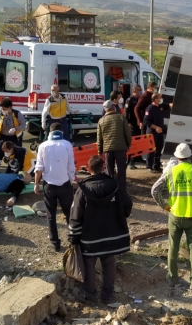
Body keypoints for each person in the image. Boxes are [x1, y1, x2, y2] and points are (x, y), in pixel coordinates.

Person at [69, 155, 132, 304]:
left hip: (90, 238)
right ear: (103, 167)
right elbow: (128, 205)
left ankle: (90, 296)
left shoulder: (83, 190)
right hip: (111, 235)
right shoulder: (115, 186)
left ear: (88, 170)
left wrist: (73, 236)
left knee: (89, 264)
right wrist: (119, 217)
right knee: (109, 264)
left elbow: (75, 215)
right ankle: (107, 296)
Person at [151, 143, 192, 290]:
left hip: (175, 215)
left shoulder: (170, 171)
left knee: (173, 247)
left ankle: (172, 278)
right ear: (189, 156)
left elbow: (154, 190)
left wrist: (164, 206)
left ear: (177, 157)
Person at [34, 122, 75, 251]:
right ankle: (73, 239)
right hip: (65, 184)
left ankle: (55, 242)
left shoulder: (43, 146)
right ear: (61, 132)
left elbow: (39, 168)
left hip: (49, 185)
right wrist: (72, 180)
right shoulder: (67, 145)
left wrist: (36, 184)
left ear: (49, 132)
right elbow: (71, 166)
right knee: (69, 213)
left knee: (51, 215)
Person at [97, 101, 132, 194]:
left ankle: (111, 191)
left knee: (109, 172)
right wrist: (128, 144)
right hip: (120, 148)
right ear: (113, 107)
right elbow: (127, 133)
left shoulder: (101, 120)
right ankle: (122, 191)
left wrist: (99, 150)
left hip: (107, 150)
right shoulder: (121, 117)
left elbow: (99, 138)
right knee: (121, 171)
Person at [0, 98, 26, 171]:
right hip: (3, 136)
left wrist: (15, 129)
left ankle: (16, 167)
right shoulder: (1, 113)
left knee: (16, 151)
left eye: (4, 109)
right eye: (2, 108)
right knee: (0, 150)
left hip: (15, 137)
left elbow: (23, 125)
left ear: (9, 107)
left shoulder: (17, 114)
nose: (3, 110)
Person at [143, 92, 166, 171]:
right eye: (160, 98)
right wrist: (156, 127)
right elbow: (146, 121)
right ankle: (149, 166)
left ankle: (156, 166)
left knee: (159, 148)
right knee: (151, 149)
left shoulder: (160, 107)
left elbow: (169, 105)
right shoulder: (149, 109)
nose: (161, 99)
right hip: (152, 132)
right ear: (156, 99)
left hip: (160, 132)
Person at [125, 85, 143, 169]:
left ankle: (138, 157)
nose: (141, 92)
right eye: (139, 90)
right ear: (135, 91)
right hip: (132, 124)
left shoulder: (139, 99)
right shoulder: (130, 100)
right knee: (133, 142)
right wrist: (128, 122)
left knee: (139, 141)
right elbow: (126, 112)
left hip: (138, 124)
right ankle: (130, 161)